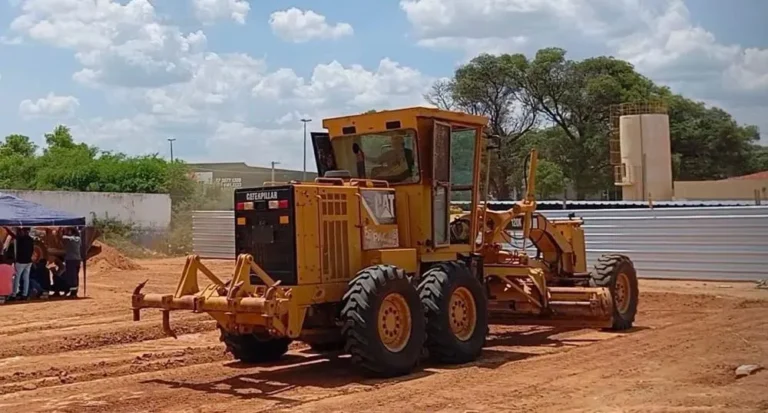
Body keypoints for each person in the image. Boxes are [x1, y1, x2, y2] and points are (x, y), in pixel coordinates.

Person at [3, 227, 34, 301]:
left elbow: (12, 235)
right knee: (26, 278)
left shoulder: (21, 239)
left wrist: (6, 227)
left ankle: (13, 294)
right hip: (28, 261)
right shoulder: (30, 239)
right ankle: (24, 294)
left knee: (16, 278)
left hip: (20, 262)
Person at [62, 227, 82, 298]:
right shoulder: (78, 239)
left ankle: (73, 293)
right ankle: (74, 292)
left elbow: (64, 237)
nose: (67, 232)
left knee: (71, 276)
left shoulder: (70, 239)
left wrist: (62, 233)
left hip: (71, 260)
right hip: (77, 260)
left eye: (68, 230)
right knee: (75, 276)